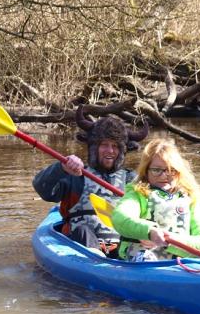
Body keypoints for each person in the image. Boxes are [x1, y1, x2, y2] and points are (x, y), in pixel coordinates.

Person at [33, 107, 147, 255]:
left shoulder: (132, 180)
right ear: (94, 146)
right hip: (82, 248)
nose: (110, 151)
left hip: (120, 249)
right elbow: (42, 188)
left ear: (123, 149)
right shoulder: (75, 174)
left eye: (115, 146)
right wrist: (61, 168)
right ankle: (96, 258)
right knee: (83, 230)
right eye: (104, 145)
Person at [112, 137, 200, 262]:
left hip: (178, 263)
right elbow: (120, 218)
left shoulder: (191, 199)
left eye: (171, 170)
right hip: (141, 259)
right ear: (146, 171)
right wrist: (149, 231)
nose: (163, 176)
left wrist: (171, 240)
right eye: (156, 170)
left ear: (178, 172)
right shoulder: (138, 193)